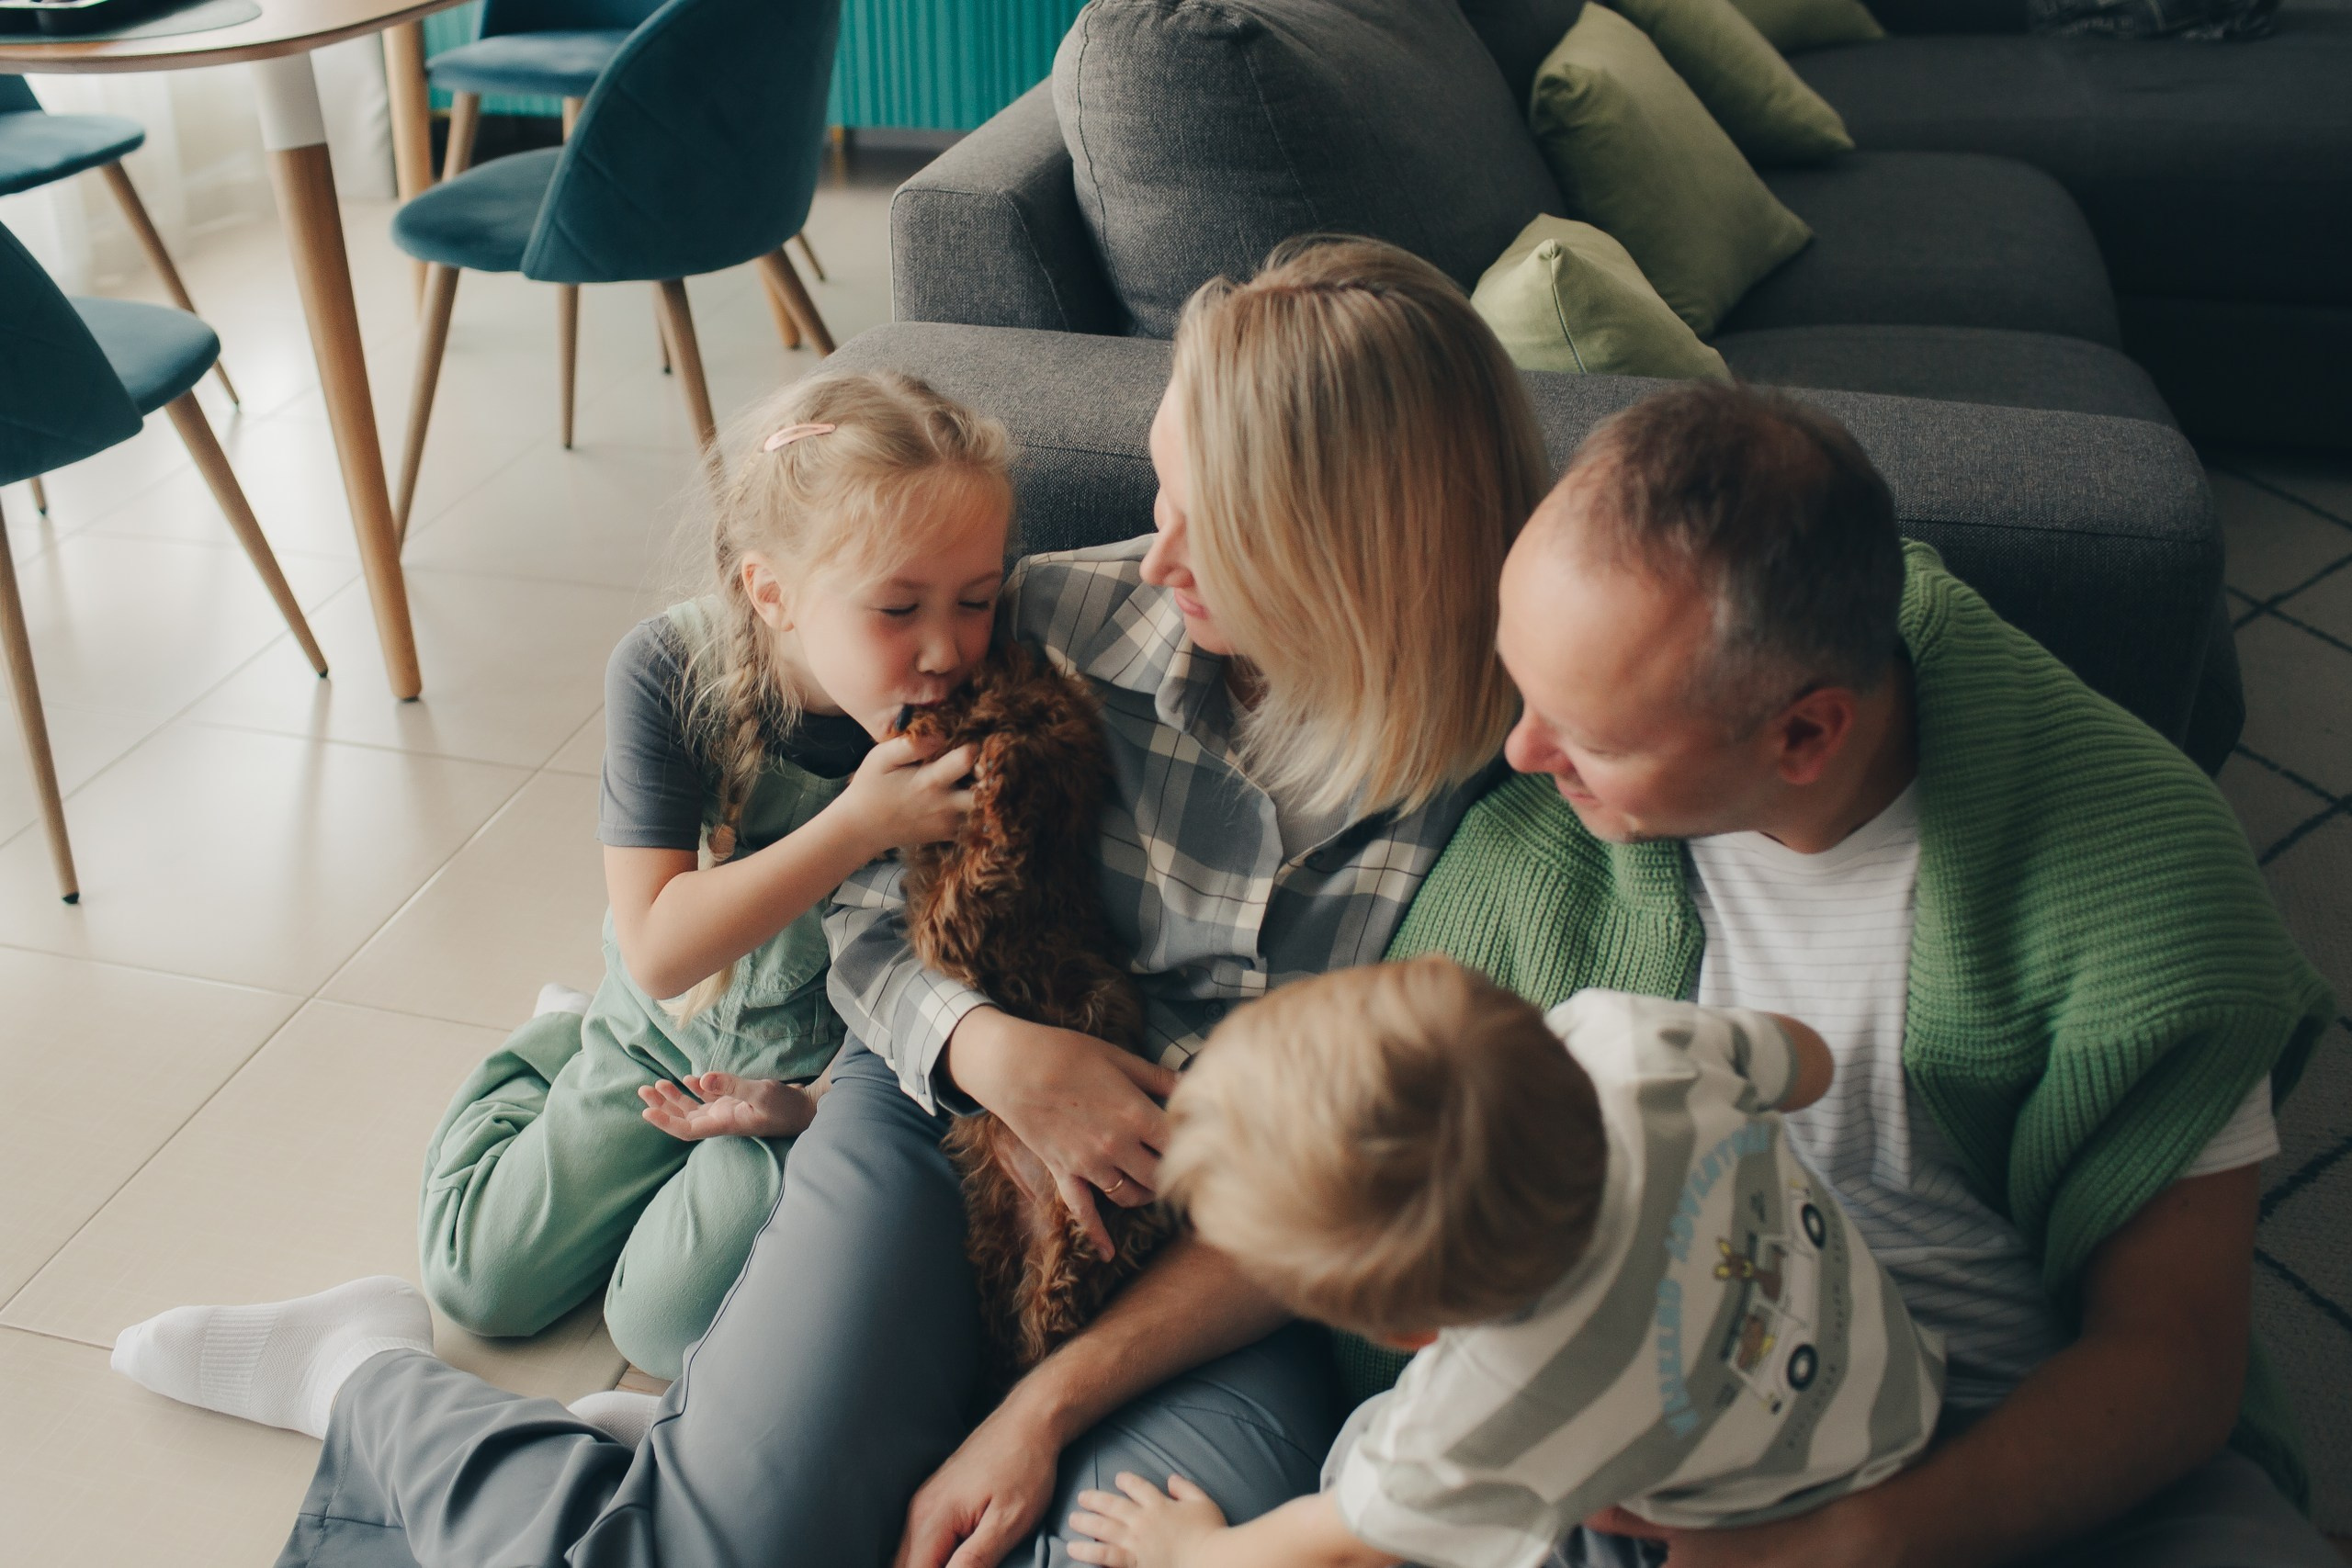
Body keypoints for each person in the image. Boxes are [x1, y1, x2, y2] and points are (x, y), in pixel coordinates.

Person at [106, 236, 1553, 1568]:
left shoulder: (1504, 790)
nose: (1151, 553)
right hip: (934, 1117)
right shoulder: (1053, 626)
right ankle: (375, 1380)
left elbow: (1366, 1179)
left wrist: (1042, 1409)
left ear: (1347, 548)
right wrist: (988, 1047)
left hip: (1217, 1260)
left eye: (1205, 524)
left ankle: (739, 1452)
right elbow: (870, 903)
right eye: (1157, 497)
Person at [1381, 380, 2337, 1568]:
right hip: (1667, 1428)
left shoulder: (2139, 869)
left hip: (2038, 1443)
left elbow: (2172, 1360)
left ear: (1804, 734)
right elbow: (1343, 1157)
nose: (1522, 752)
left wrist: (1846, 1543)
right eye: (1522, 685)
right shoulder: (1533, 851)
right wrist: (1069, 1397)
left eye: (1594, 733)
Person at [405, 370, 1006, 1383]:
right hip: (661, 1023)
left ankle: (723, 1166)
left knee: (661, 1330)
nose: (945, 648)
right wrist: (860, 824)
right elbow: (660, 951)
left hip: (818, 1087)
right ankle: (552, 1050)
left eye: (978, 599)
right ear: (770, 590)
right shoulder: (666, 668)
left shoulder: (988, 697)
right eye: (897, 607)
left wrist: (796, 1113)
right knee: (478, 1284)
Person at [1068, 955, 1944, 1568]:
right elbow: (1809, 1065)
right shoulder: (1630, 1046)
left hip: (1772, 1520)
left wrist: (1197, 1551)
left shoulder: (1483, 1408)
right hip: (1894, 1385)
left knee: (1361, 1460)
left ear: (1406, 1330)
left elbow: (1337, 1543)